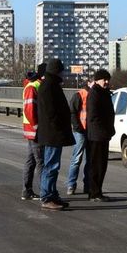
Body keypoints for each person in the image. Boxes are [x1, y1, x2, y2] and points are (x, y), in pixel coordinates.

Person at [35, 59, 74, 211]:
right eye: (62, 71)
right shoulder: (49, 87)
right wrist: (59, 125)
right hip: (52, 133)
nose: (63, 73)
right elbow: (51, 112)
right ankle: (47, 196)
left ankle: (52, 194)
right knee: (51, 166)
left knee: (52, 166)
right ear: (57, 71)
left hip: (52, 132)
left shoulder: (49, 85)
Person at [84, 69, 115, 201]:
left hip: (103, 134)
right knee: (96, 165)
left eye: (108, 79)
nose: (107, 82)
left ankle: (98, 191)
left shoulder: (104, 93)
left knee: (102, 165)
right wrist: (104, 131)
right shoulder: (95, 93)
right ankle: (94, 193)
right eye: (104, 79)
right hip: (97, 135)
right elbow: (94, 116)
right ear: (97, 80)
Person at [20, 64, 45, 201]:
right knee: (40, 161)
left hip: (31, 130)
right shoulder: (33, 87)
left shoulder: (33, 86)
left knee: (31, 161)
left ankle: (27, 191)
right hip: (34, 131)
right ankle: (45, 193)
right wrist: (37, 127)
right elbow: (29, 110)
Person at [66, 76, 93, 196]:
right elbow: (72, 112)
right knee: (77, 158)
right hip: (81, 131)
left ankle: (87, 185)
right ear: (88, 83)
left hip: (91, 132)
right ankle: (71, 185)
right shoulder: (80, 95)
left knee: (90, 160)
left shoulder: (95, 95)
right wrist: (78, 128)